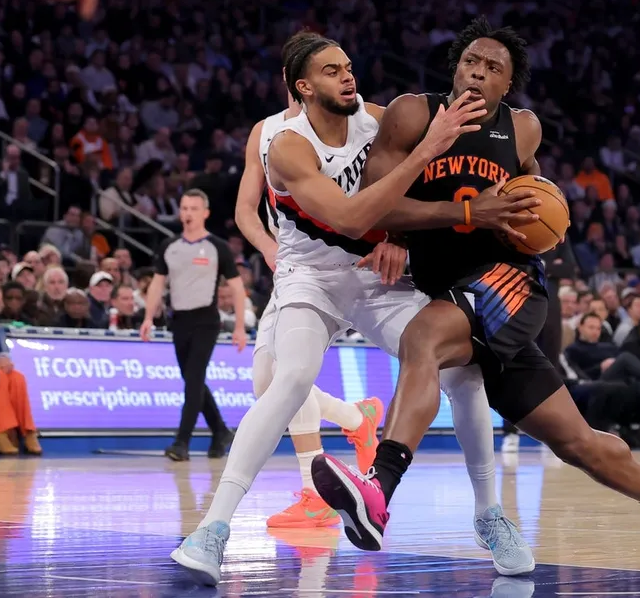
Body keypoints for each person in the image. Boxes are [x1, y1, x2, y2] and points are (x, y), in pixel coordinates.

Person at [311, 17, 640, 574]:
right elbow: (374, 204)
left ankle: (379, 489)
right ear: (455, 68)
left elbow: (537, 196)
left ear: (508, 84)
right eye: (470, 61)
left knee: (422, 339)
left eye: (492, 67)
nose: (478, 72)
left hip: (509, 281)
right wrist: (450, 215)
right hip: (449, 289)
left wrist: (542, 218)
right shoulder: (412, 114)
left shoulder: (522, 129)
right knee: (581, 446)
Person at [170, 31, 543, 586]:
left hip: (375, 277)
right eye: (332, 71)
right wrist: (424, 155)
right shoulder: (285, 144)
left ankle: (490, 515)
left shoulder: (381, 119)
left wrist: (396, 235)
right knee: (289, 379)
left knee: (463, 370)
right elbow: (348, 217)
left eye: (348, 67)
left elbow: (416, 191)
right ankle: (212, 530)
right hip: (310, 278)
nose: (348, 76)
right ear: (303, 87)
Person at [234, 90, 384, 529]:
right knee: (267, 382)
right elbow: (245, 210)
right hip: (299, 267)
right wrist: (268, 247)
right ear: (297, 80)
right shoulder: (266, 131)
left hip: (354, 262)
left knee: (282, 378)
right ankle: (357, 418)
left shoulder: (362, 120)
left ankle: (315, 493)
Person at [140, 189, 248, 462]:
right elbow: (157, 284)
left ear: (205, 213)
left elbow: (237, 288)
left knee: (194, 380)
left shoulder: (217, 247)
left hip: (206, 321)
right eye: (184, 208)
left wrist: (239, 327)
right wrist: (148, 317)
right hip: (179, 321)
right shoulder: (169, 246)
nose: (188, 213)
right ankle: (220, 431)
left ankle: (182, 442)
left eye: (194, 209)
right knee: (193, 380)